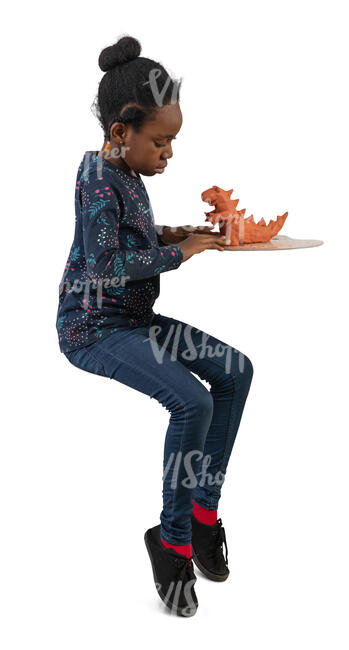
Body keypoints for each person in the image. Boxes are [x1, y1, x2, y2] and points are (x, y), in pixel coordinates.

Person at [56, 35, 254, 617]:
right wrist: (180, 255)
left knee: (235, 371)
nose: (169, 153)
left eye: (173, 141)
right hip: (95, 328)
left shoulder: (128, 174)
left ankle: (201, 513)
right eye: (161, 141)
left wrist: (178, 235)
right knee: (192, 403)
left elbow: (129, 237)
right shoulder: (96, 175)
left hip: (134, 320)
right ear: (122, 133)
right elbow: (105, 266)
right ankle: (170, 543)